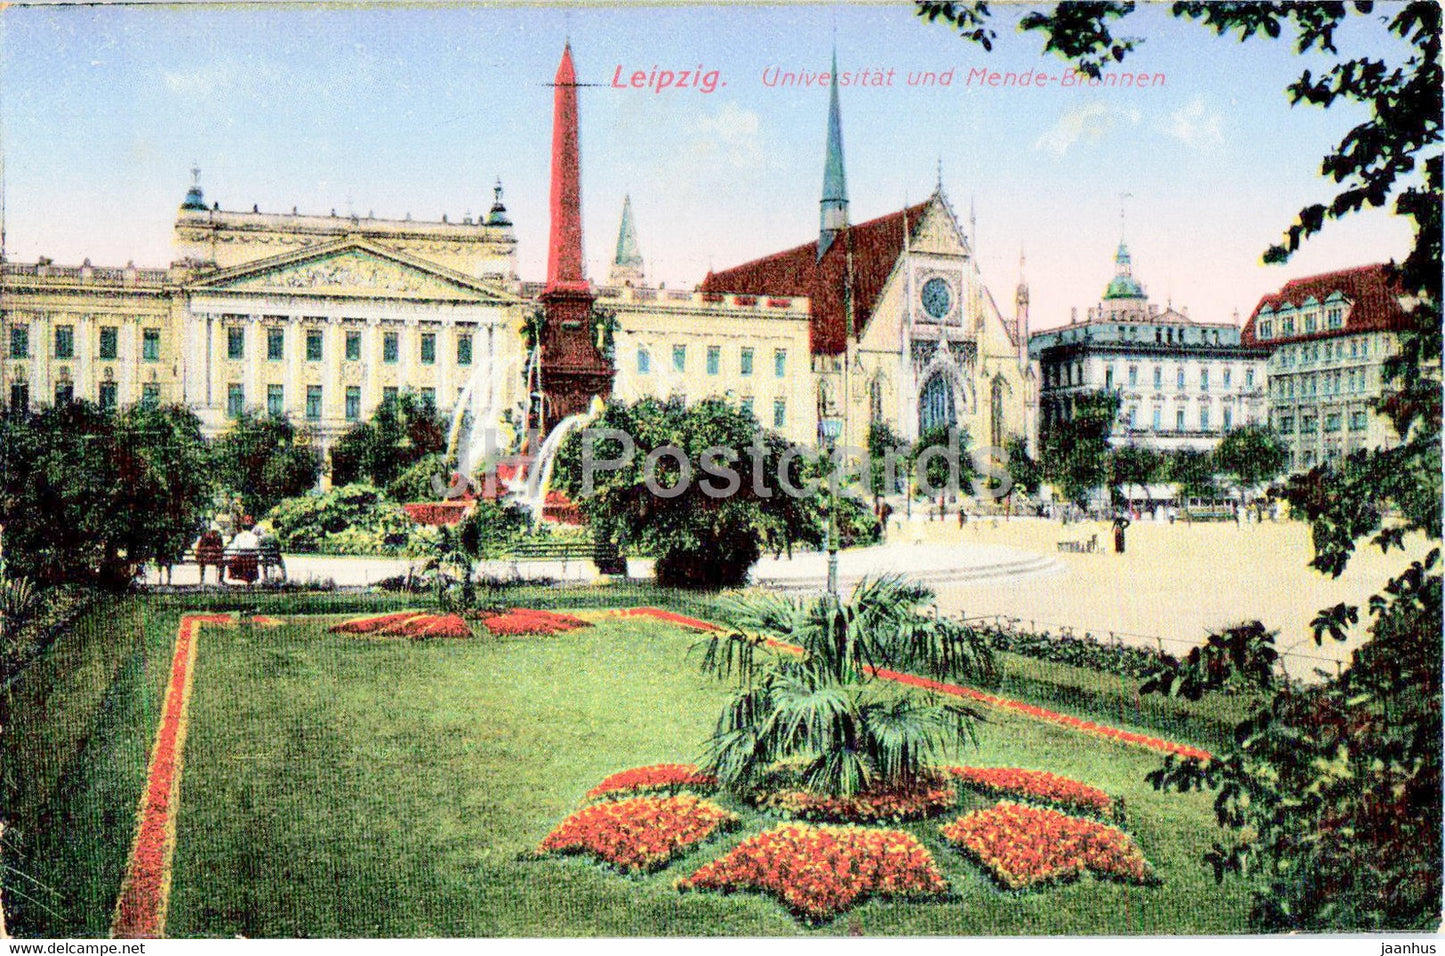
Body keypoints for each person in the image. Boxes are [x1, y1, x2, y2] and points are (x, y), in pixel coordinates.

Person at [226, 519, 261, 584]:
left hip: (242, 561)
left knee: (232, 559)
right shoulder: (255, 537)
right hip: (252, 561)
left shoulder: (238, 536)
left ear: (242, 528)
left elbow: (235, 549)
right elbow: (257, 550)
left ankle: (234, 576)